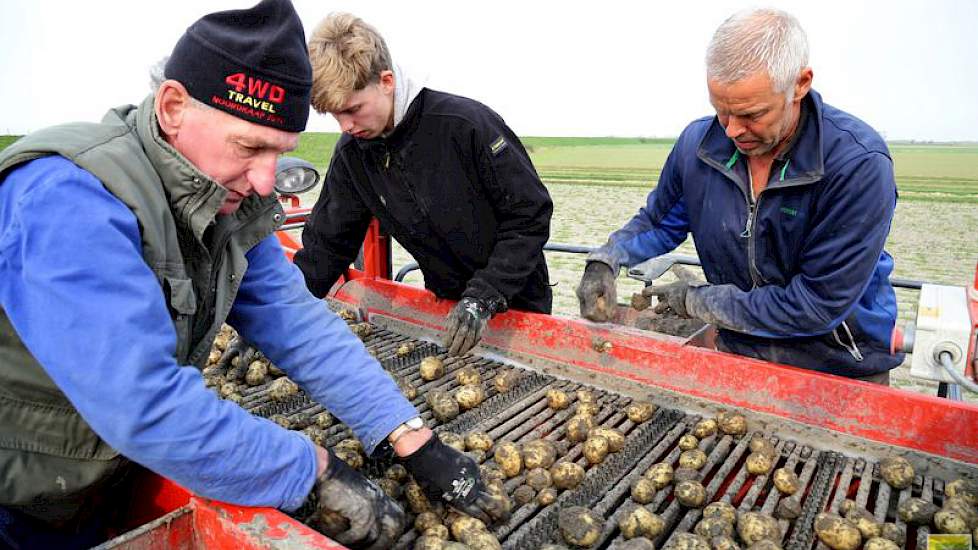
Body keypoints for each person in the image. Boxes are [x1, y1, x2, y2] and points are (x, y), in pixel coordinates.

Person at [0, 2, 503, 548]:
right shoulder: (67, 200)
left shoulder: (225, 202)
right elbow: (144, 405)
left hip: (104, 476)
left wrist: (408, 436)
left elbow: (295, 321)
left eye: (281, 152)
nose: (266, 183)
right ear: (173, 107)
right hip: (19, 502)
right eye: (250, 147)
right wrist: (311, 472)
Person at [577, 8, 903, 383]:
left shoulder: (857, 164)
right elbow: (659, 222)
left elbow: (816, 304)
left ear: (800, 84)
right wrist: (605, 259)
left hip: (837, 366)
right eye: (721, 111)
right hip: (739, 353)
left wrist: (698, 300)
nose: (731, 130)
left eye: (751, 114)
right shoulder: (697, 147)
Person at [294, 13, 554, 357]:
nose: (345, 126)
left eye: (353, 109)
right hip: (446, 309)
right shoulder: (353, 154)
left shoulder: (465, 126)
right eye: (335, 115)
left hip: (517, 306)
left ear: (386, 81)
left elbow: (530, 216)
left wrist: (484, 297)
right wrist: (282, 316)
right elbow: (326, 246)